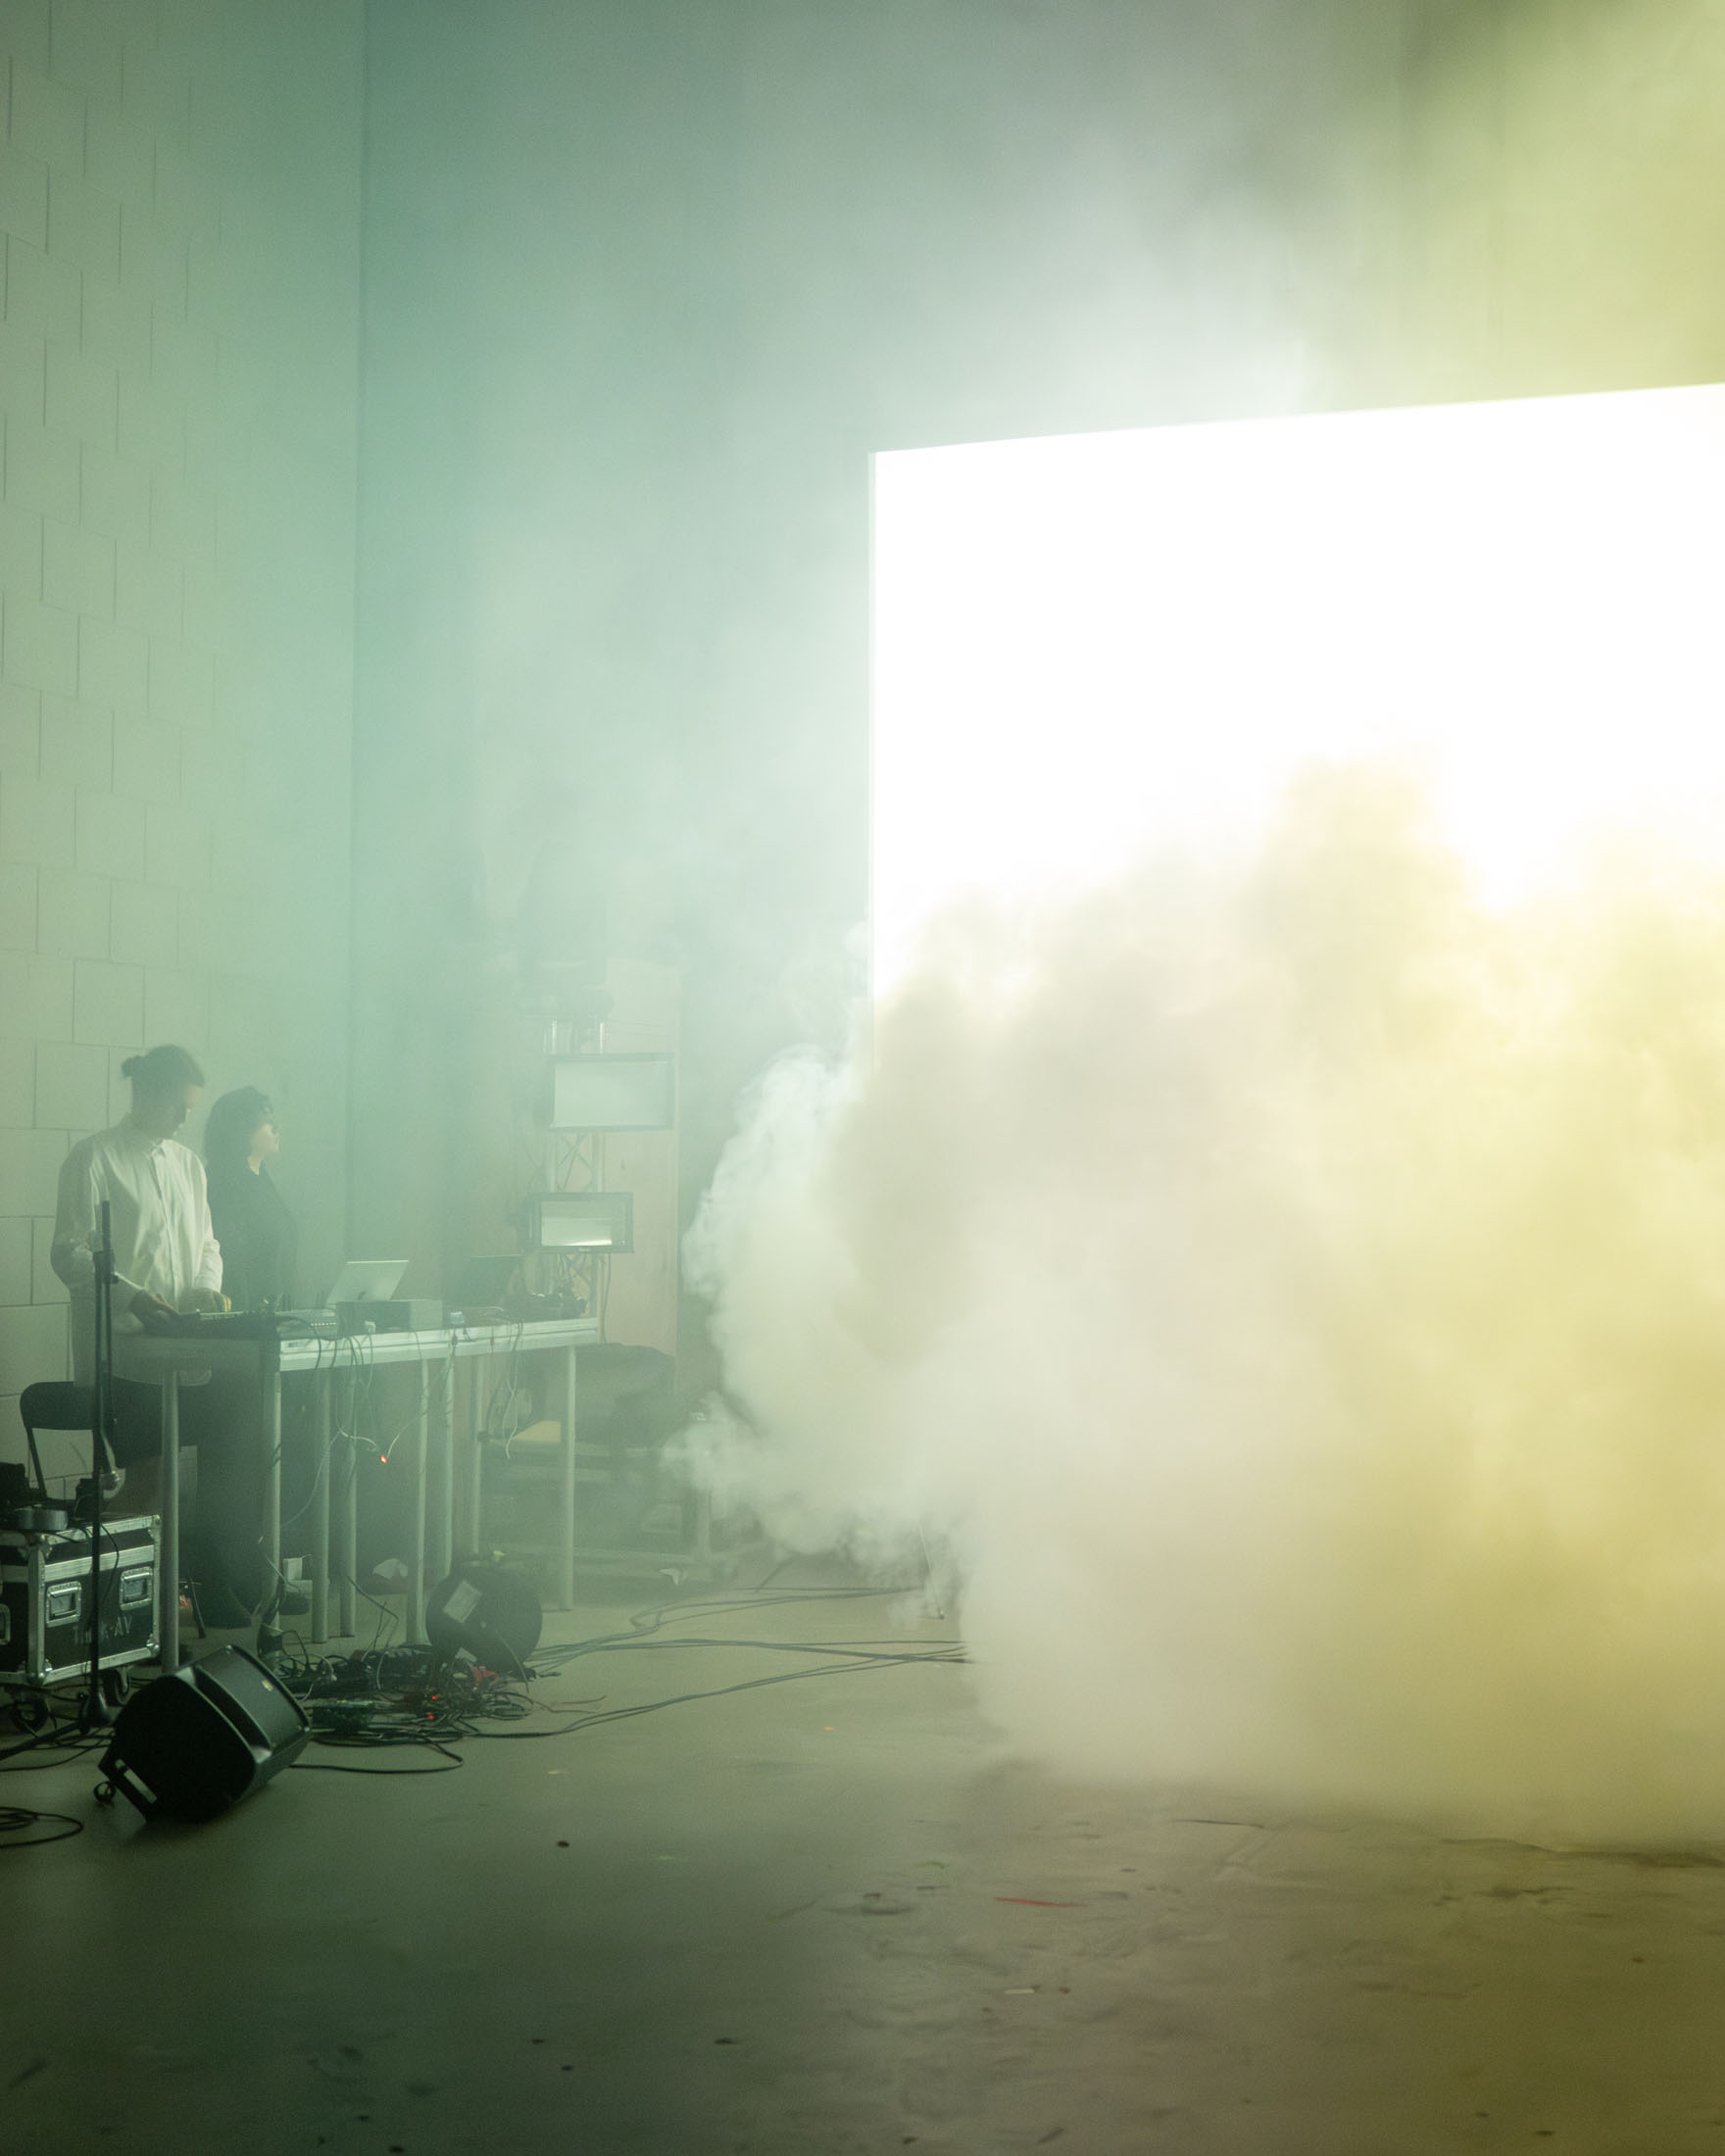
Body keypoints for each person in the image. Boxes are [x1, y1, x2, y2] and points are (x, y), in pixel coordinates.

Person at [50, 1044, 259, 1627]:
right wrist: (133, 1295)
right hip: (125, 1354)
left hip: (182, 1352)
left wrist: (205, 1288)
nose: (186, 1119)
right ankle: (103, 1612)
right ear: (146, 1094)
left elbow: (209, 1243)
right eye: (177, 1107)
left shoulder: (188, 1164)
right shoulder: (94, 1158)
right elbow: (68, 1254)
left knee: (169, 1482)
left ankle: (152, 1609)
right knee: (144, 1480)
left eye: (191, 1107)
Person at [204, 1087, 298, 1312]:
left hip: (272, 1314)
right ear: (241, 1129)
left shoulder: (261, 1178)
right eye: (266, 1122)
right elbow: (233, 1257)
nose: (276, 1128)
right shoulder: (221, 1183)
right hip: (242, 1318)